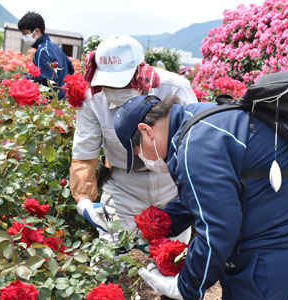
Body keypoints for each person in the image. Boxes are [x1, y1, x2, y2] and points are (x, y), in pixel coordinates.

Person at [114, 94, 288, 300]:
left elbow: (218, 227)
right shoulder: (199, 118)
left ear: (146, 130)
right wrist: (156, 225)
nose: (144, 161)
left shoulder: (196, 145)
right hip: (283, 236)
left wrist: (186, 286)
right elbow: (209, 197)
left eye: (138, 153)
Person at [69, 34, 197, 244]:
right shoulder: (93, 100)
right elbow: (84, 155)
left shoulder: (173, 88)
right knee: (112, 253)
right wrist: (84, 202)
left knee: (173, 255)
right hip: (124, 184)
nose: (117, 90)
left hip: (170, 182)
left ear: (140, 72)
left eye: (124, 83)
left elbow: (194, 145)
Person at [18, 12, 74, 99]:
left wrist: (26, 81)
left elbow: (46, 83)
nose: (23, 37)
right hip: (63, 101)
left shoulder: (42, 51)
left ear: (37, 31)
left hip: (51, 104)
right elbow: (71, 69)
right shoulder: (55, 47)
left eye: (25, 33)